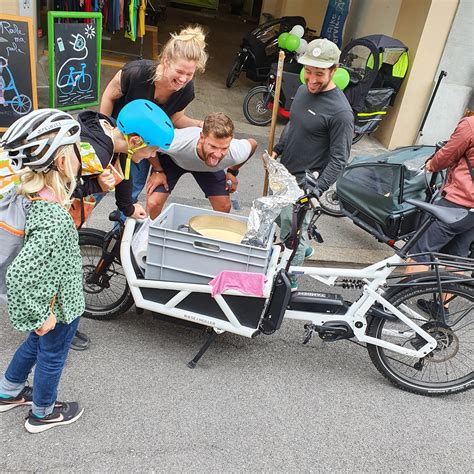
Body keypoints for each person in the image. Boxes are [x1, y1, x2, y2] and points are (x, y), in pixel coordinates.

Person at [0, 109, 85, 433]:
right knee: (51, 356)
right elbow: (19, 275)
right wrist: (39, 317)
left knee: (34, 346)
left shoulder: (29, 195)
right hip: (58, 307)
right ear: (63, 161)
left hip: (49, 298)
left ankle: (8, 391)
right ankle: (43, 412)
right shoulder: (53, 217)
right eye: (76, 149)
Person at [69, 99, 174, 351]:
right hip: (50, 213)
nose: (152, 157)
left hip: (69, 214)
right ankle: (54, 330)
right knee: (55, 272)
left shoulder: (114, 136)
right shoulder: (97, 151)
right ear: (136, 141)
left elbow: (123, 174)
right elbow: (64, 186)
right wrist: (98, 186)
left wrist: (127, 207)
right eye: (152, 150)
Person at [100, 25, 207, 206]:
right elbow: (109, 95)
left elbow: (176, 119)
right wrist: (103, 131)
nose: (183, 79)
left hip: (143, 147)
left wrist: (199, 124)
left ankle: (121, 227)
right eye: (180, 72)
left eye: (189, 74)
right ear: (166, 61)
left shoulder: (186, 90)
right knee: (98, 182)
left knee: (131, 189)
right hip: (117, 135)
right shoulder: (136, 72)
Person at [272, 38, 354, 270]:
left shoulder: (341, 113)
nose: (312, 79)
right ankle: (303, 245)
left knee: (292, 237)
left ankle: (291, 282)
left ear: (334, 70)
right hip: (283, 173)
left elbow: (340, 159)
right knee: (278, 216)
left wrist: (316, 189)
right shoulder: (302, 89)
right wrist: (279, 148)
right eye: (308, 71)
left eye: (319, 73)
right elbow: (293, 124)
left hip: (304, 184)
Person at [407, 115, 474, 322]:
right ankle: (441, 308)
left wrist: (430, 165)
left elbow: (446, 155)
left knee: (420, 251)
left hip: (457, 203)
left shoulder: (471, 125)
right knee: (457, 258)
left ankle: (396, 303)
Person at [138, 112, 257, 219]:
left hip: (208, 168)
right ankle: (152, 236)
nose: (217, 154)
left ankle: (212, 241)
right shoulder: (177, 142)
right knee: (153, 203)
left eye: (224, 148)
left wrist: (232, 172)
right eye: (213, 146)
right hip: (174, 160)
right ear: (202, 138)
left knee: (224, 206)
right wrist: (158, 170)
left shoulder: (235, 151)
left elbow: (253, 144)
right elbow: (148, 141)